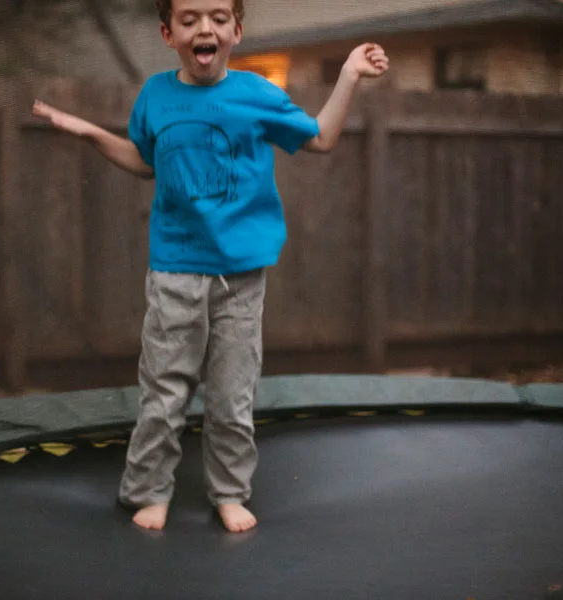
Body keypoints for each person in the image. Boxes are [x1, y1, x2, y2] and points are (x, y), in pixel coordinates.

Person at [32, 0, 389, 533]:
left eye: (219, 17)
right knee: (164, 389)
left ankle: (228, 492)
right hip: (175, 267)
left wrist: (348, 76)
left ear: (236, 30)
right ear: (168, 32)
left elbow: (321, 137)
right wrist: (90, 134)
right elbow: (143, 161)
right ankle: (149, 490)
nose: (206, 27)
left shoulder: (257, 95)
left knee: (231, 394)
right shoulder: (155, 95)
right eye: (190, 18)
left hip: (241, 276)